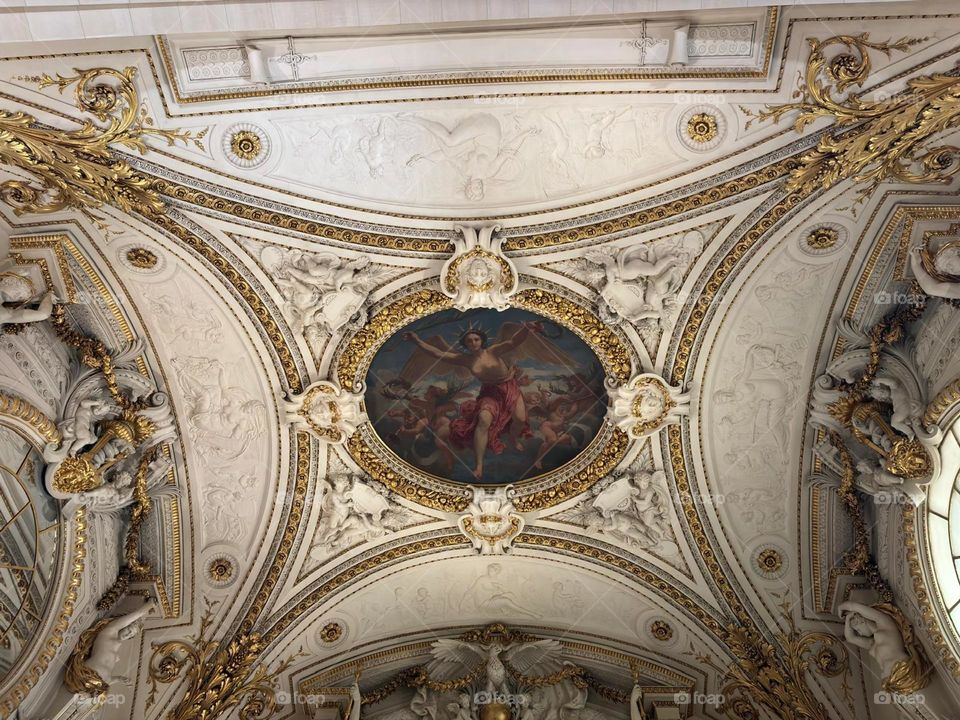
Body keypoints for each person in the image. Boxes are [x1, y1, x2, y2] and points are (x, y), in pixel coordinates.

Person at [403, 322, 541, 479]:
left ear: (481, 340)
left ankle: (513, 438)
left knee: (520, 419)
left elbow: (513, 342)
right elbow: (437, 353)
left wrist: (526, 328)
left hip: (509, 388)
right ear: (465, 344)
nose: (473, 343)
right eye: (469, 341)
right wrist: (417, 341)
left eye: (476, 339)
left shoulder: (493, 351)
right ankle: (479, 465)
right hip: (490, 393)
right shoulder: (465, 360)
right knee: (483, 421)